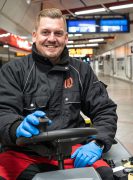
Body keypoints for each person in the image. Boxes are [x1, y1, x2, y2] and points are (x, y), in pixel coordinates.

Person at [0, 8, 117, 180]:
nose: (52, 39)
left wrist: (97, 142)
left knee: (106, 175)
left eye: (58, 33)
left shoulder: (81, 71)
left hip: (73, 151)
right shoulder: (13, 71)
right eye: (45, 32)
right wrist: (16, 126)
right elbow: (3, 111)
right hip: (25, 153)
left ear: (66, 38)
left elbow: (104, 110)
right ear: (34, 35)